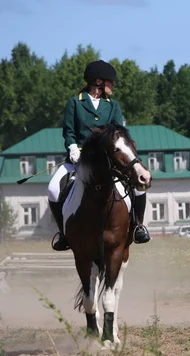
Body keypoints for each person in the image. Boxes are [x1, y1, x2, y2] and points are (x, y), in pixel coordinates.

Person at [47, 60, 151, 251]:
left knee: (138, 188)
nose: (113, 85)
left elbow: (119, 132)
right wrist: (72, 147)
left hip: (107, 162)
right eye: (110, 81)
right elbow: (69, 131)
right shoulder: (75, 103)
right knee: (53, 188)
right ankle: (63, 233)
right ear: (98, 82)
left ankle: (138, 226)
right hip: (78, 159)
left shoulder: (112, 105)